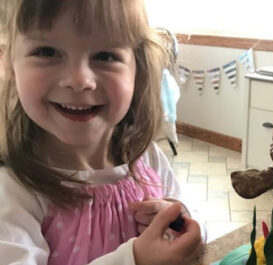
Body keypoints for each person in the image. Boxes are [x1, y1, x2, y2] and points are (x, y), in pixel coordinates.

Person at [0, 0, 206, 264]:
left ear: (138, 71)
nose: (79, 80)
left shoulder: (146, 157)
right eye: (47, 51)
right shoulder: (14, 191)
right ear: (10, 65)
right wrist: (135, 260)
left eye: (105, 56)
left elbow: (192, 219)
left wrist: (180, 219)